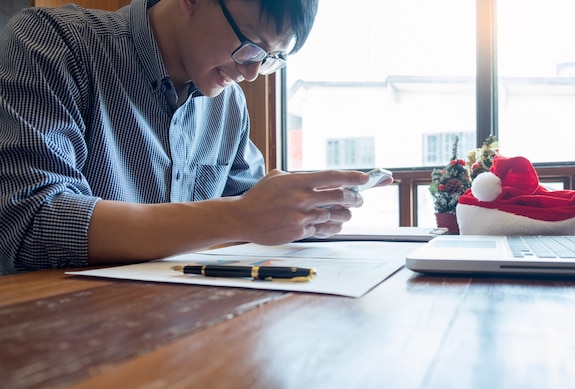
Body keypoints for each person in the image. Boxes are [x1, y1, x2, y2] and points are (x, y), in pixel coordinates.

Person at [0, 0, 387, 275]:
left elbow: (251, 210)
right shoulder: (54, 43)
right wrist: (238, 216)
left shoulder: (228, 104)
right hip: (65, 334)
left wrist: (307, 213)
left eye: (270, 59)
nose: (251, 73)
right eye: (250, 46)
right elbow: (30, 220)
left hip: (186, 329)